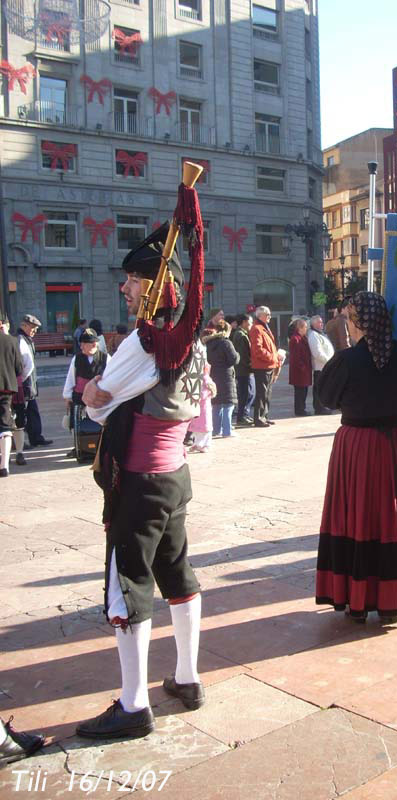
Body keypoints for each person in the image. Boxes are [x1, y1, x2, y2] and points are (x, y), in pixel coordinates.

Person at [78, 217, 206, 739]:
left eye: (132, 280)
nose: (124, 288)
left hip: (139, 480)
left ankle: (134, 706)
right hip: (175, 475)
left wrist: (90, 393)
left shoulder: (145, 342)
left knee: (128, 585)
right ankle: (188, 678)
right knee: (177, 574)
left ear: (153, 287)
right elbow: (201, 409)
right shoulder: (190, 341)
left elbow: (97, 404)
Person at [315, 291, 397, 623]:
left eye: (348, 317)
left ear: (357, 322)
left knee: (357, 516)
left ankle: (356, 597)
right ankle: (394, 599)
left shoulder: (346, 360)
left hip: (357, 447)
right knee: (396, 518)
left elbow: (327, 398)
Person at [62, 328, 110, 458]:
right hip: (79, 397)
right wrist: (67, 396)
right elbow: (71, 377)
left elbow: (111, 379)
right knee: (75, 422)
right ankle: (78, 446)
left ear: (94, 344)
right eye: (81, 343)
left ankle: (101, 445)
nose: (81, 346)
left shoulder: (105, 358)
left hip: (98, 398)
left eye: (84, 343)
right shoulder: (76, 359)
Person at [14, 314, 53, 457]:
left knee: (31, 411)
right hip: (25, 383)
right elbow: (27, 364)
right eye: (32, 328)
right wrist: (24, 380)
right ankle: (22, 441)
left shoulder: (25, 339)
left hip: (28, 383)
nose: (34, 331)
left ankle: (36, 437)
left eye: (36, 329)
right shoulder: (21, 340)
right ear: (24, 325)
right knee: (22, 413)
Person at [203, 319, 239, 438]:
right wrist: (238, 355)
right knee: (228, 404)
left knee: (216, 404)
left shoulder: (208, 343)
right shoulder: (226, 342)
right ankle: (227, 431)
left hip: (213, 375)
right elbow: (234, 359)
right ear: (226, 330)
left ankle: (216, 430)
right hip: (226, 376)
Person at [0, 310, 22, 478]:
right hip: (6, 388)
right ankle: (4, 465)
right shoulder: (12, 341)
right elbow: (19, 368)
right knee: (5, 426)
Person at [250, 305, 279, 428]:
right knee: (262, 393)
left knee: (267, 393)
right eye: (268, 314)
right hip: (262, 366)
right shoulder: (257, 328)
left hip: (268, 365)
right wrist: (272, 357)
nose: (270, 317)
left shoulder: (263, 327)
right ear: (260, 315)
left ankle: (264, 416)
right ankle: (259, 418)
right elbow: (257, 349)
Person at [307, 315, 334, 415]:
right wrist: (329, 362)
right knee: (319, 388)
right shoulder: (313, 335)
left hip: (325, 366)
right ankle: (319, 408)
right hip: (321, 367)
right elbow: (317, 353)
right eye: (319, 322)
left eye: (322, 322)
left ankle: (323, 406)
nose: (321, 324)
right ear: (313, 324)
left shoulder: (321, 334)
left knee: (323, 387)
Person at [187, 363, 216, 454]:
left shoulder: (205, 378)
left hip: (204, 408)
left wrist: (196, 396)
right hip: (198, 407)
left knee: (205, 427)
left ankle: (206, 445)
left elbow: (204, 392)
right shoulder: (199, 377)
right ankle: (197, 443)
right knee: (198, 428)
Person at [231, 314, 255, 426]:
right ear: (244, 322)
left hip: (244, 370)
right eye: (250, 322)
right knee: (247, 393)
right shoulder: (241, 335)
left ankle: (245, 414)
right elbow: (243, 356)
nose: (251, 325)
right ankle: (242, 416)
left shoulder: (242, 334)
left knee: (248, 393)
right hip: (244, 370)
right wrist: (251, 367)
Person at [288, 318, 312, 416]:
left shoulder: (302, 337)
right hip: (300, 371)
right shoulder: (295, 339)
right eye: (305, 327)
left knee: (304, 391)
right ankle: (300, 410)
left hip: (304, 369)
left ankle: (302, 408)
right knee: (300, 392)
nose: (306, 329)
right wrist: (302, 368)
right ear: (300, 328)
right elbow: (296, 357)